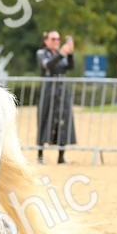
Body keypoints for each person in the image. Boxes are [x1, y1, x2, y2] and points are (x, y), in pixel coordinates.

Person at [36, 30, 76, 164]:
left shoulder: (62, 54)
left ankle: (61, 155)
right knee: (45, 118)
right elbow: (47, 65)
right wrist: (61, 53)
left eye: (58, 39)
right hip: (48, 90)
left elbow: (70, 67)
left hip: (62, 89)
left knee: (63, 119)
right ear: (46, 40)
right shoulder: (41, 53)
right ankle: (40, 154)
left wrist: (70, 54)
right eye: (53, 39)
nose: (56, 42)